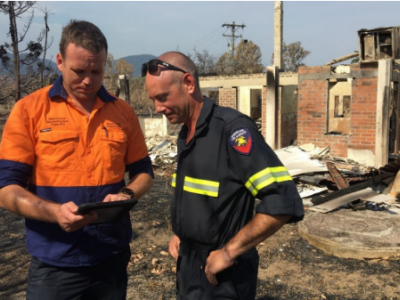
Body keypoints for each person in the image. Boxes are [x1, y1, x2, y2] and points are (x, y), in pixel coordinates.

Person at [0, 20, 154, 300]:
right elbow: (7, 190)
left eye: (96, 71)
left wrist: (127, 193)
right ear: (60, 61)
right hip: (55, 264)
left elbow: (144, 171)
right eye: (79, 71)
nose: (88, 80)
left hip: (112, 258)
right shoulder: (29, 111)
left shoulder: (123, 112)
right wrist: (54, 213)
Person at [143, 52, 304, 300]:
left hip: (224, 275)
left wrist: (229, 252)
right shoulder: (186, 132)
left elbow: (282, 200)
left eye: (163, 97)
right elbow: (201, 195)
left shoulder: (233, 131)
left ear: (188, 83)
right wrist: (182, 234)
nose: (158, 108)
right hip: (189, 265)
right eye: (153, 100)